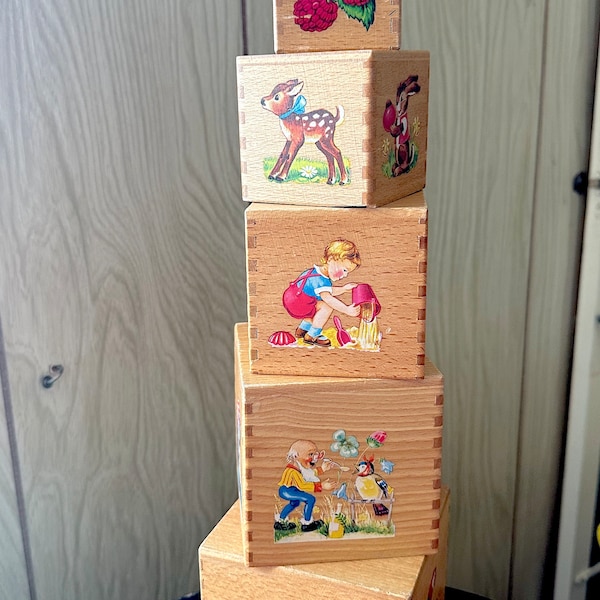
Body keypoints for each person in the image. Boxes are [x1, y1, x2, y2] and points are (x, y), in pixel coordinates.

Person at [284, 239, 361, 347]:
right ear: (330, 260)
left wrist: (343, 288)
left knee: (317, 304)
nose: (345, 275)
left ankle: (302, 330)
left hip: (294, 299)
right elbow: (328, 298)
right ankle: (312, 335)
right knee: (326, 306)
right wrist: (346, 310)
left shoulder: (315, 272)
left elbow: (327, 291)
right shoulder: (321, 280)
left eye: (347, 272)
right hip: (298, 304)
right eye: (344, 270)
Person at [275, 439, 336, 532]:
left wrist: (322, 469)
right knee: (310, 499)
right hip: (286, 490)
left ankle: (281, 521)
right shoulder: (292, 471)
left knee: (294, 503)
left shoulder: (299, 467)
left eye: (314, 454)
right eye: (310, 454)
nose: (314, 457)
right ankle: (307, 524)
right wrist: (321, 486)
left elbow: (309, 474)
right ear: (296, 456)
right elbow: (302, 485)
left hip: (292, 490)